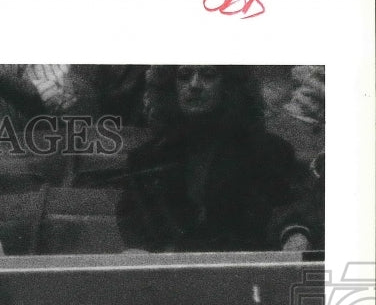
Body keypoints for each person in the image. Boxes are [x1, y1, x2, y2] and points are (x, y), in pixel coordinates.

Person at [118, 65, 316, 253]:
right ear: (170, 86)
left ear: (229, 84)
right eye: (184, 75)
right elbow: (136, 226)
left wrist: (294, 234)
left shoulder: (268, 151)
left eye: (208, 74)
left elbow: (286, 212)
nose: (194, 85)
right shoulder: (145, 160)